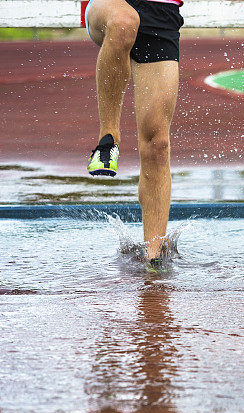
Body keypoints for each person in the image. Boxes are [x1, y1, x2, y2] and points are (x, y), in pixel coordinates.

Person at [85, 0, 183, 266]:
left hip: (162, 14)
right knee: (124, 22)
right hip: (113, 6)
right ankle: (108, 139)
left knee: (158, 145)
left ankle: (153, 260)